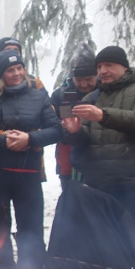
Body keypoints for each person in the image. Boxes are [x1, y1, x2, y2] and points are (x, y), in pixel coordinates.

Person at [0, 49, 62, 269]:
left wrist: (29, 139)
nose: (16, 73)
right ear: (2, 75)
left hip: (28, 173)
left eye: (19, 68)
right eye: (10, 70)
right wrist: (4, 141)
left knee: (31, 227)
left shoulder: (39, 98)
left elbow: (56, 130)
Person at [61, 45, 135, 235]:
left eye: (109, 65)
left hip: (132, 182)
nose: (103, 71)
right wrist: (75, 131)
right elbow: (85, 139)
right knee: (104, 243)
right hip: (98, 183)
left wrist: (103, 115)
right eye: (99, 67)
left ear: (124, 67)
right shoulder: (91, 97)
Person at [50, 45, 98, 186]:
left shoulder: (104, 92)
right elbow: (51, 126)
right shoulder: (60, 96)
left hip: (99, 161)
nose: (84, 84)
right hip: (68, 162)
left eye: (89, 79)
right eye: (79, 79)